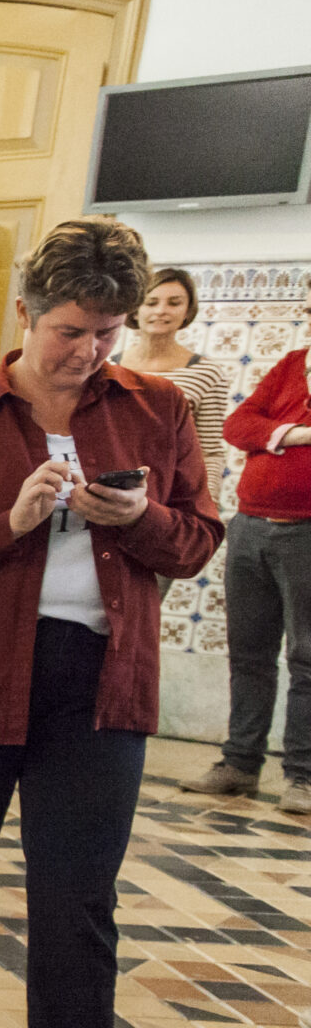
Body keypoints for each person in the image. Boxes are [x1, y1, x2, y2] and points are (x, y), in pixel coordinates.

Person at [0, 218, 222, 1028]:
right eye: (72, 331)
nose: (90, 351)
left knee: (78, 901)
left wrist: (142, 520)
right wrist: (9, 522)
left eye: (109, 332)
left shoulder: (156, 407)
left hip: (98, 684)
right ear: (27, 314)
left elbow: (200, 538)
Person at [184, 343, 311, 811]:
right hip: (251, 525)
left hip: (308, 533)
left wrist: (272, 433)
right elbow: (239, 426)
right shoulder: (294, 363)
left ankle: (303, 777)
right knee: (249, 653)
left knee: (308, 658)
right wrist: (296, 435)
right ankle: (240, 765)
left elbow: (258, 428)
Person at [121, 267, 230, 493]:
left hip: (174, 492)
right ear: (134, 310)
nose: (161, 311)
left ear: (187, 311)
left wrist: (207, 505)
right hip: (111, 487)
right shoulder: (106, 367)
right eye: (151, 302)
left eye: (174, 303)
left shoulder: (207, 373)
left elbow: (209, 451)